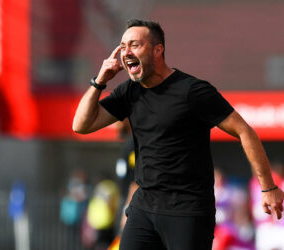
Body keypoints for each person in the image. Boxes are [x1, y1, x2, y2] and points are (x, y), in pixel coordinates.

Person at [72, 19, 284, 250]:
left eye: (134, 45)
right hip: (144, 208)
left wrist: (268, 188)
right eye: (123, 46)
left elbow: (245, 131)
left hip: (188, 211)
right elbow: (81, 125)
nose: (126, 52)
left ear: (158, 50)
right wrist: (99, 81)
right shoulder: (128, 92)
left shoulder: (193, 91)